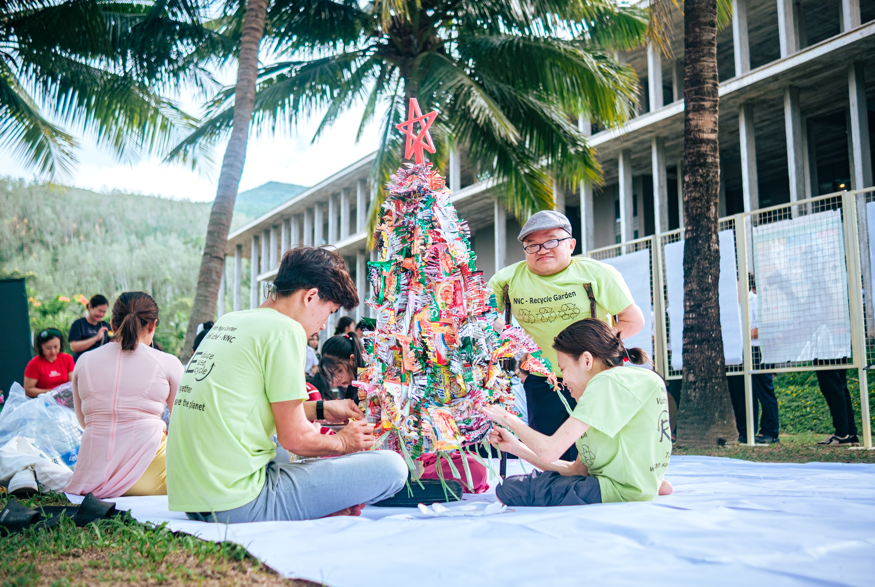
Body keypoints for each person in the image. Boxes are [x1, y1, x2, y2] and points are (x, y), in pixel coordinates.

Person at [166, 246, 407, 522]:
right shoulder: (286, 330)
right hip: (237, 502)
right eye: (328, 312)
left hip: (194, 499)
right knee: (392, 468)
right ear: (311, 296)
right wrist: (343, 442)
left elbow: (250, 408)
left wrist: (323, 409)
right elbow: (294, 439)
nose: (323, 326)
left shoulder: (231, 321)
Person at [488, 211, 645, 460]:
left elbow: (633, 321)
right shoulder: (507, 280)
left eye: (552, 241)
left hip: (595, 376)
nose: (542, 249)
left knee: (600, 453)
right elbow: (479, 321)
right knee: (549, 454)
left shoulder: (597, 274)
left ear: (571, 244)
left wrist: (591, 345)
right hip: (542, 379)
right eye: (532, 245)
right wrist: (518, 363)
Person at [482, 318, 672, 506]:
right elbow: (578, 470)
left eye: (563, 369)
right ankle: (650, 483)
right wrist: (516, 447)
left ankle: (642, 487)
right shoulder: (640, 381)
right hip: (633, 484)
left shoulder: (606, 381)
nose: (563, 381)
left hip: (614, 489)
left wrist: (506, 417)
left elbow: (549, 452)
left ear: (587, 360)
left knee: (508, 489)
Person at [65, 292, 183, 498]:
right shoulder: (168, 362)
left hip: (93, 476)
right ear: (153, 325)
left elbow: (84, 423)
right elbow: (183, 423)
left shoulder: (83, 361)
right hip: (151, 478)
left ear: (111, 323)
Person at [728, 275, 779, 443]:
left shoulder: (756, 301)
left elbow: (764, 327)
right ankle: (745, 432)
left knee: (763, 391)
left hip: (757, 351)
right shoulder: (731, 305)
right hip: (737, 353)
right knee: (740, 394)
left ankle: (770, 431)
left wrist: (741, 336)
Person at [309, 333, 365, 402]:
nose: (338, 378)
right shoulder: (352, 389)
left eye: (339, 371)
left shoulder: (372, 383)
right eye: (333, 374)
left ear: (353, 359)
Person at [23, 329, 75, 397]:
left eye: (56, 347)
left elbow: (72, 384)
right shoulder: (34, 363)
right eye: (48, 348)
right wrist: (52, 392)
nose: (53, 351)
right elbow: (28, 390)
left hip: (65, 398)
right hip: (43, 400)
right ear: (41, 346)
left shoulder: (67, 359)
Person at [68, 294, 111, 362]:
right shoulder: (78, 324)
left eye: (104, 312)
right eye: (100, 311)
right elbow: (74, 347)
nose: (102, 314)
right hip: (82, 365)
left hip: (100, 364)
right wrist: (96, 338)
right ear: (90, 307)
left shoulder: (106, 326)